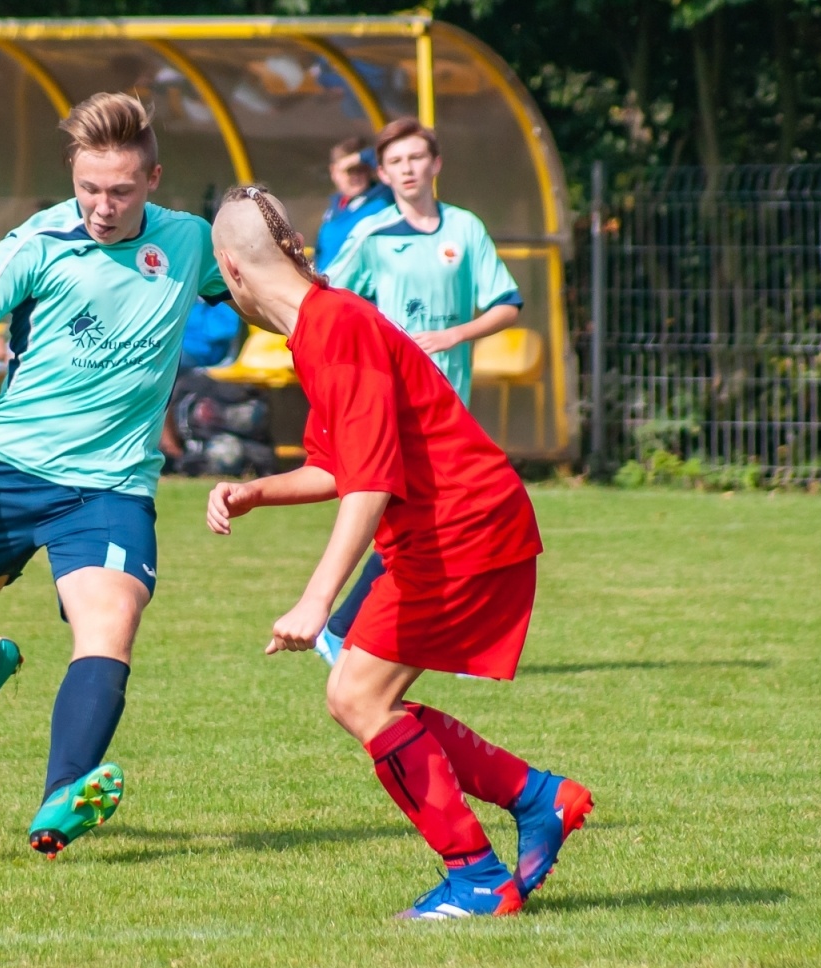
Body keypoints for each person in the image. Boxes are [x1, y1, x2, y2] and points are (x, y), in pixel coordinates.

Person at [205, 185, 591, 919]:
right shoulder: (322, 326)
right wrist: (257, 491)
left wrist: (317, 599)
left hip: (462, 527)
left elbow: (372, 481)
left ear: (231, 267)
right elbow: (338, 465)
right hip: (455, 526)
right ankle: (538, 800)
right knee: (364, 695)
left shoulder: (335, 326)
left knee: (357, 696)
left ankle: (480, 878)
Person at [0, 93, 233, 858]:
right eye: (88, 189)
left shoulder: (188, 242)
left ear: (152, 180)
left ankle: (60, 799)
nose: (102, 208)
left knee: (110, 621)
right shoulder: (35, 245)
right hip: (9, 471)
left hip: (112, 486)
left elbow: (257, 292)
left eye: (119, 191)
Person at [316, 118, 524, 665]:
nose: (407, 169)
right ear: (383, 175)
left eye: (416, 158)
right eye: (396, 162)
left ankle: (344, 630)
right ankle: (348, 631)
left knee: (432, 526)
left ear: (436, 164)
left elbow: (506, 303)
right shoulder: (373, 234)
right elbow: (328, 297)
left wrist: (455, 334)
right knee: (434, 523)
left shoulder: (465, 229)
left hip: (451, 405)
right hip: (396, 405)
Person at [312, 136, 392, 274]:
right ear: (334, 171)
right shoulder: (332, 210)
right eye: (349, 170)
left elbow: (389, 164)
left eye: (361, 169)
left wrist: (358, 157)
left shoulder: (384, 197)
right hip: (328, 282)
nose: (355, 176)